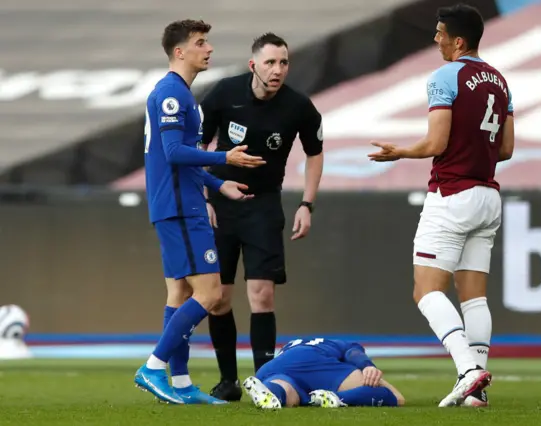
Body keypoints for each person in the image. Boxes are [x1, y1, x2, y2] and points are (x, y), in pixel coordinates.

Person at [368, 3, 515, 408]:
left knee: (426, 290)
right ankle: (477, 392)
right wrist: (475, 152)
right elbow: (505, 148)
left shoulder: (445, 76)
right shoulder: (500, 82)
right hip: (488, 196)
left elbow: (435, 144)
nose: (436, 39)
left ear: (458, 40)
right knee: (474, 297)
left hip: (452, 194)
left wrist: (399, 151)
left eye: (440, 34)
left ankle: (468, 370)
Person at [134, 19, 266, 405]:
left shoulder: (180, 94)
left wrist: (217, 183)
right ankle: (154, 366)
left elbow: (177, 159)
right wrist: (224, 157)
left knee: (179, 291)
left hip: (177, 200)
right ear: (180, 52)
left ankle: (179, 384)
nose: (208, 49)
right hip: (180, 206)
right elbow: (174, 153)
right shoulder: (172, 95)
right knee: (209, 294)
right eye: (201, 43)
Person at [199, 32, 324, 401]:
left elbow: (315, 152)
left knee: (262, 295)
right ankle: (228, 381)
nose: (278, 70)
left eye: (283, 62)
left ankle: (264, 380)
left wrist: (307, 204)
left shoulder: (298, 106)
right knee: (218, 298)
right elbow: (196, 145)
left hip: (264, 205)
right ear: (253, 65)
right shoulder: (224, 93)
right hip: (221, 202)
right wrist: (202, 195)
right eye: (270, 62)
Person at [242, 337, 405, 409]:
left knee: (288, 392)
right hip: (313, 359)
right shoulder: (335, 343)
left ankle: (273, 392)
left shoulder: (289, 346)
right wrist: (367, 365)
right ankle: (336, 398)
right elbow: (352, 353)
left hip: (269, 369)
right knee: (396, 398)